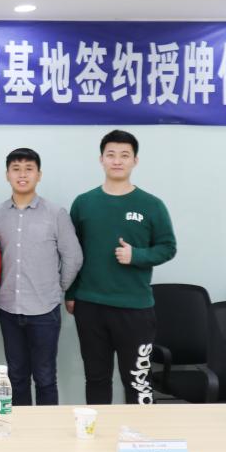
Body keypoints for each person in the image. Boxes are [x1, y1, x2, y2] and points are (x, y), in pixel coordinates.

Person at [67, 130, 176, 405]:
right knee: (96, 378)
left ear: (135, 161)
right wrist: (71, 292)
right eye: (111, 155)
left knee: (138, 382)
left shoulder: (151, 205)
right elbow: (72, 252)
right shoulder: (83, 203)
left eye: (124, 155)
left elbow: (168, 247)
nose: (117, 161)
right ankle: (97, 431)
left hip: (135, 307)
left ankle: (139, 432)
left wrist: (136, 255)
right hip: (90, 305)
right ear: (101, 159)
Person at [0, 148, 82, 406]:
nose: (22, 174)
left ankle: (47, 429)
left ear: (39, 175)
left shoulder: (55, 213)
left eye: (29, 169)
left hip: (44, 310)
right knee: (16, 377)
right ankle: (20, 428)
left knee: (45, 377)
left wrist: (57, 288)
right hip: (8, 308)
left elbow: (73, 256)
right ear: (7, 175)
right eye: (16, 169)